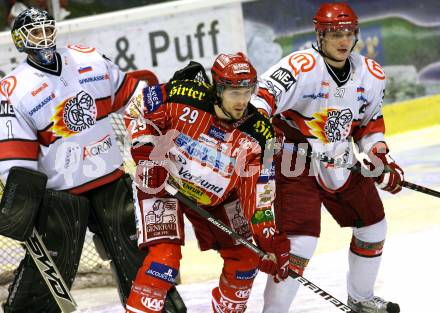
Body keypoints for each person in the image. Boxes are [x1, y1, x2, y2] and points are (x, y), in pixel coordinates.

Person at [0, 7, 184, 313]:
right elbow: (14, 158)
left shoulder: (89, 58)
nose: (44, 38)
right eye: (35, 32)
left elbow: (133, 96)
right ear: (21, 40)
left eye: (47, 29)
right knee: (52, 265)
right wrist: (22, 205)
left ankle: (159, 308)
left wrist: (160, 131)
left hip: (110, 180)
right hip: (60, 195)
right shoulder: (15, 90)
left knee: (134, 250)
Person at [251, 2, 403, 313]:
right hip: (294, 162)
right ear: (320, 35)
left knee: (374, 225)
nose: (343, 40)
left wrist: (380, 160)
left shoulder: (370, 74)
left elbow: (368, 124)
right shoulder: (301, 67)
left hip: (340, 158)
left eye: (348, 33)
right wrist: (257, 133)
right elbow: (261, 99)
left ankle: (361, 299)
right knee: (299, 244)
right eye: (334, 33)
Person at [123, 54, 291, 313]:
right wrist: (146, 153)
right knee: (164, 262)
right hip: (162, 182)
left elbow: (259, 193)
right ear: (219, 88)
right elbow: (138, 107)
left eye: (248, 92)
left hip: (217, 196)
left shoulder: (259, 133)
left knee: (246, 260)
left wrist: (269, 238)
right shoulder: (182, 94)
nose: (243, 100)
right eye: (235, 92)